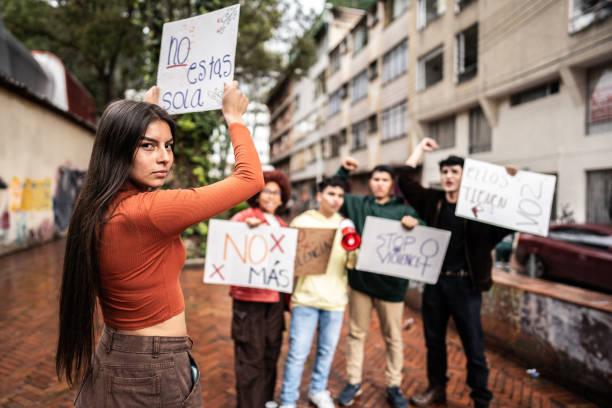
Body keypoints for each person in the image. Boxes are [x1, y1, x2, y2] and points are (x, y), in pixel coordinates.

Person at [55, 82, 263, 407]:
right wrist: (234, 117)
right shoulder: (150, 210)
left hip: (115, 351)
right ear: (119, 148)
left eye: (168, 145)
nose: (165, 158)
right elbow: (250, 179)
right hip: (153, 364)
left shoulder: (95, 202)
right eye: (148, 146)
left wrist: (142, 115)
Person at [397, 138, 516, 408]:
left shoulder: (480, 210)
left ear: (465, 177)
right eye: (445, 172)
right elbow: (404, 179)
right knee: (434, 342)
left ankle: (481, 399)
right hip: (436, 283)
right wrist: (418, 149)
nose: (448, 176)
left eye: (454, 172)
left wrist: (513, 183)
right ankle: (436, 389)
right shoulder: (434, 202)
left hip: (467, 287)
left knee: (474, 346)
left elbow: (507, 222)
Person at [334, 158, 423, 408]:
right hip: (361, 283)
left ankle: (394, 386)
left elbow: (424, 237)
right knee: (355, 334)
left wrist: (414, 225)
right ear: (370, 183)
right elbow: (335, 189)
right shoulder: (357, 204)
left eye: (385, 180)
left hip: (392, 288)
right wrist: (344, 170)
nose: (380, 184)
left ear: (391, 184)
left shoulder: (404, 210)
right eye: (376, 179)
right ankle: (353, 382)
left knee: (393, 338)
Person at [279, 177, 349, 408]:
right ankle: (288, 400)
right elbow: (286, 255)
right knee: (298, 354)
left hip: (335, 300)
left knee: (326, 352)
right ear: (320, 196)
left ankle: (318, 391)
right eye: (331, 194)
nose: (336, 199)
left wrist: (355, 248)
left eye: (340, 195)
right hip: (306, 298)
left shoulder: (346, 225)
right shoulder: (302, 221)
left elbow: (353, 263)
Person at [229, 169, 291, 408]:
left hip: (274, 302)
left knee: (270, 353)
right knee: (249, 358)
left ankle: (265, 401)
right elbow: (228, 253)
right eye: (266, 190)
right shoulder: (243, 218)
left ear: (282, 197)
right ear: (256, 195)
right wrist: (244, 232)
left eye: (276, 192)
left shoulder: (283, 224)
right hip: (250, 301)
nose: (271, 196)